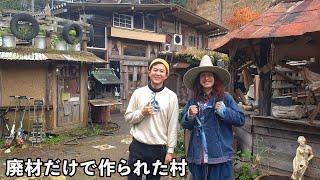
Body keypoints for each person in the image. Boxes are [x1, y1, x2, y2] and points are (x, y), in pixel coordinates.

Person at [181, 55, 245, 179]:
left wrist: (224, 111)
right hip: (198, 156)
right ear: (198, 79)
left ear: (215, 78)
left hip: (220, 156)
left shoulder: (225, 98)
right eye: (203, 75)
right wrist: (189, 115)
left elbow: (241, 119)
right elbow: (184, 124)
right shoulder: (193, 101)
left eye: (209, 75)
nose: (206, 78)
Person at [124, 58, 179, 180]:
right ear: (149, 72)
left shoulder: (171, 97)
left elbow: (172, 125)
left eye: (161, 71)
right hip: (138, 146)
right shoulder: (138, 93)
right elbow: (128, 117)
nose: (158, 74)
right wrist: (141, 113)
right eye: (155, 70)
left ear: (166, 75)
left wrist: (170, 151)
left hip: (158, 149)